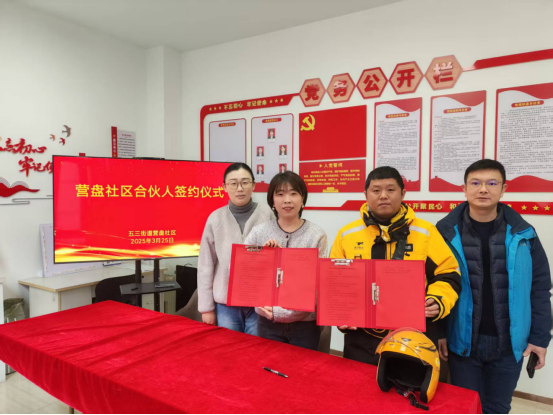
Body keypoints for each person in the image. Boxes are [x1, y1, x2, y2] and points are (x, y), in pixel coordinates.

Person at [436, 160, 552, 415]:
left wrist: (540, 338)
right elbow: (434, 286)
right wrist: (439, 332)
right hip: (463, 342)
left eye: (491, 183)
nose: (483, 189)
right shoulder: (444, 233)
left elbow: (540, 288)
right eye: (475, 183)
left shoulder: (524, 234)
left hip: (509, 345)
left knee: (498, 408)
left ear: (503, 189)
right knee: (464, 407)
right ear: (464, 189)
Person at [330, 166, 462, 366]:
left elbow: (448, 273)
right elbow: (335, 282)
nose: (383, 195)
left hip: (412, 337)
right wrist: (341, 314)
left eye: (390, 190)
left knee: (404, 385)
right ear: (365, 195)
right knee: (357, 384)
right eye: (376, 190)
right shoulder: (347, 235)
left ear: (403, 193)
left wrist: (438, 300)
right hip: (360, 338)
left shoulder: (425, 232)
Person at [245, 171, 328, 350]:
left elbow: (318, 285)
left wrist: (282, 312)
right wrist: (263, 258)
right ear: (272, 201)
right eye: (280, 194)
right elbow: (243, 273)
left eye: (293, 193)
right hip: (267, 322)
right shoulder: (259, 232)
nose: (287, 200)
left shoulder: (316, 235)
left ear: (302, 198)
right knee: (268, 365)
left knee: (302, 367)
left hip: (305, 325)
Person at [198, 163, 273, 335]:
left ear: (253, 185)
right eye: (233, 183)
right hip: (226, 305)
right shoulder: (215, 218)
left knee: (256, 348)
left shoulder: (267, 214)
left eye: (245, 182)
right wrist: (206, 308)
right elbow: (205, 266)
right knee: (229, 348)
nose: (239, 188)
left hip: (259, 303)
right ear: (225, 187)